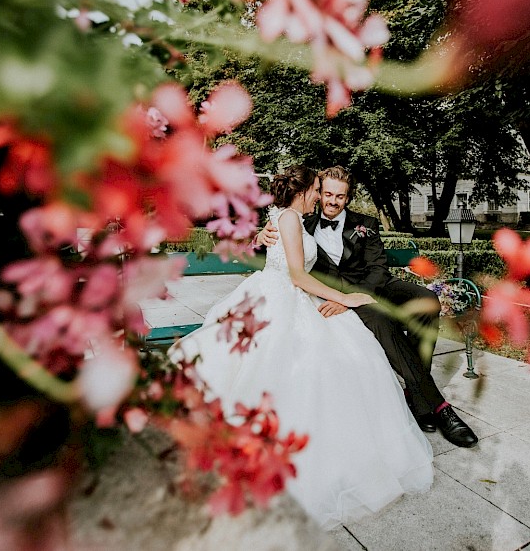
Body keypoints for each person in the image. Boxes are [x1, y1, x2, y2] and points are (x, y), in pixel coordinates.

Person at [170, 165, 434, 530]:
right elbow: (297, 275)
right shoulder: (292, 218)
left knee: (343, 358)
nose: (320, 196)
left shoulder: (286, 216)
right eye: (316, 190)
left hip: (287, 295)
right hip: (283, 297)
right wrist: (347, 297)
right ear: (306, 190)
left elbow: (284, 253)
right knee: (298, 367)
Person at [256, 166, 478, 449]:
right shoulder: (303, 220)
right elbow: (278, 252)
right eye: (327, 194)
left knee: (427, 301)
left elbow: (377, 270)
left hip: (374, 287)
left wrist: (350, 297)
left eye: (340, 196)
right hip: (339, 297)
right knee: (380, 319)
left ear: (348, 198)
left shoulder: (366, 223)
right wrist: (261, 236)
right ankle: (436, 406)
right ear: (319, 193)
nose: (333, 201)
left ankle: (416, 392)